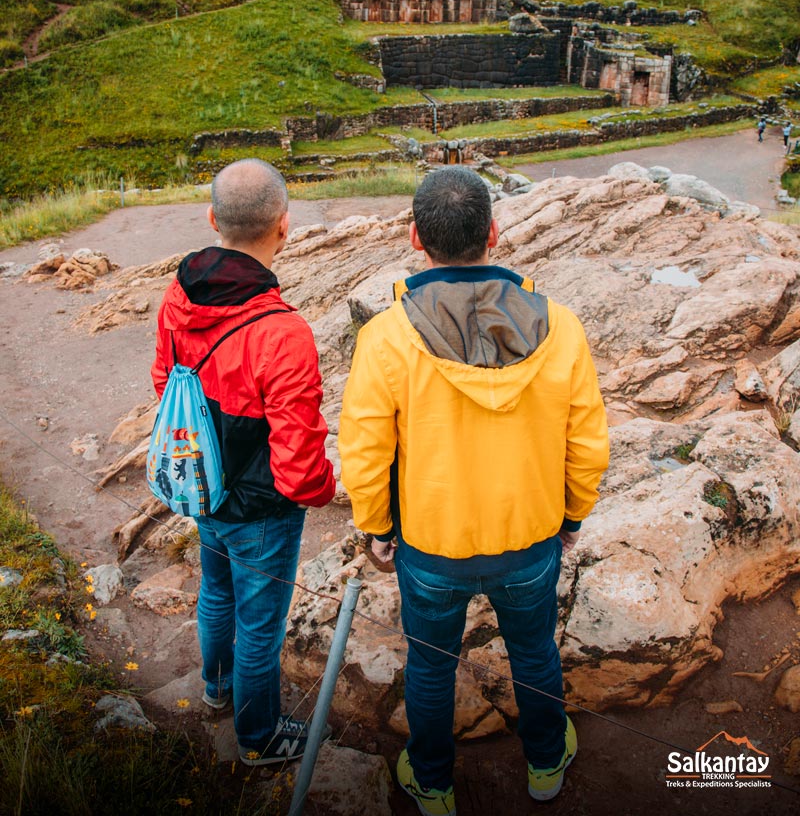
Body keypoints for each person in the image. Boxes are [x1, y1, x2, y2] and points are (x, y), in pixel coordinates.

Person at [339, 167, 609, 815]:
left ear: (413, 237)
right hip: (532, 536)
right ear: (494, 231)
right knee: (535, 650)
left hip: (431, 546)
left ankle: (432, 781)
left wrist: (377, 527)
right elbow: (588, 440)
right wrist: (572, 514)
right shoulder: (561, 325)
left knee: (430, 668)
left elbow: (365, 450)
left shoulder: (383, 339)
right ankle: (547, 760)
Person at [151, 158, 335, 767]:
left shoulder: (177, 299)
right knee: (261, 623)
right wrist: (317, 490)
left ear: (212, 218)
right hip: (262, 507)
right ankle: (259, 736)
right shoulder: (282, 331)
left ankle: (216, 688)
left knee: (217, 591)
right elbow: (300, 447)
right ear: (284, 227)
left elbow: (164, 385)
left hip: (201, 484)